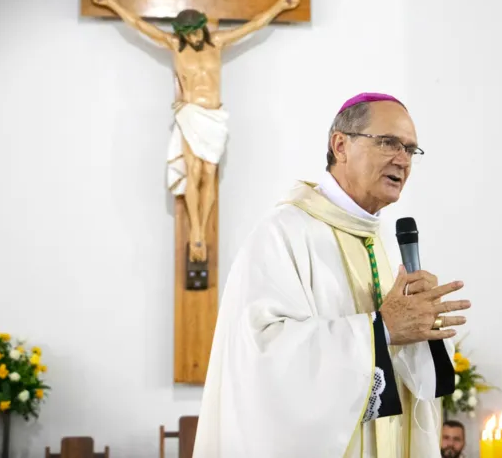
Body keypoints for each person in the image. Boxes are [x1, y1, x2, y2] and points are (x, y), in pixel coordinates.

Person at [192, 93, 472, 457]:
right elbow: (262, 359)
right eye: (389, 142)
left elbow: (416, 383)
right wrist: (381, 329)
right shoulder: (284, 233)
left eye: (411, 149)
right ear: (340, 144)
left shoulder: (388, 244)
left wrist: (425, 330)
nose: (402, 160)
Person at [87, 0, 302, 263]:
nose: (194, 37)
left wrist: (282, 5)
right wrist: (111, 2)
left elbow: (254, 25)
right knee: (193, 171)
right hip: (190, 114)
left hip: (214, 117)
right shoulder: (176, 46)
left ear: (203, 27)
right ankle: (197, 233)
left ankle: (201, 228)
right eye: (188, 34)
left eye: (197, 31)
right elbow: (139, 24)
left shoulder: (218, 42)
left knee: (209, 173)